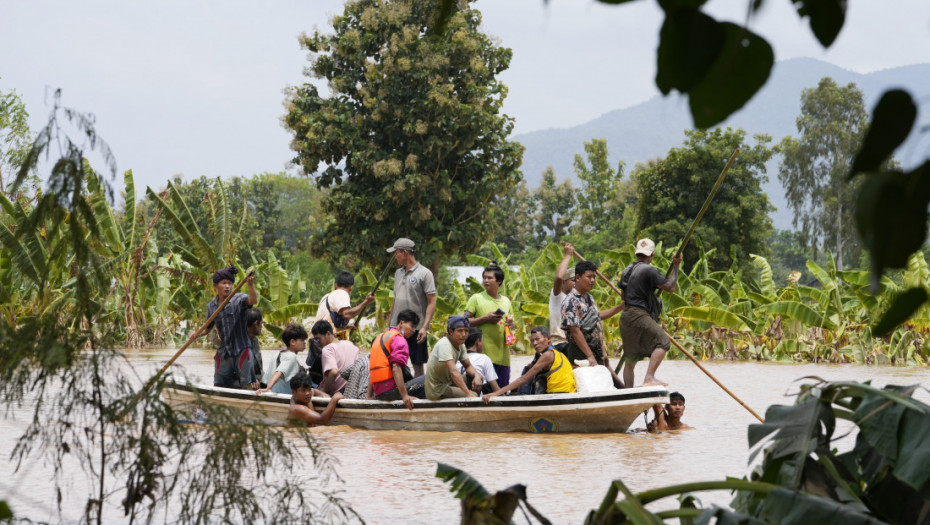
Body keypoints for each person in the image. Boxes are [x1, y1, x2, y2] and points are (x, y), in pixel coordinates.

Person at [618, 238, 681, 387]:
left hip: (626, 315)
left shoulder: (626, 270)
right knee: (663, 342)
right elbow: (670, 287)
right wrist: (676, 266)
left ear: (636, 253)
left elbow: (623, 296)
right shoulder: (648, 269)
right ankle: (649, 377)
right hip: (639, 314)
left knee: (630, 358)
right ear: (652, 255)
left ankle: (628, 392)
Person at [561, 260, 624, 387]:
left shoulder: (589, 298)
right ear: (578, 277)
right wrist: (590, 356)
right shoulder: (570, 301)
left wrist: (620, 307)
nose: (593, 280)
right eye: (589, 277)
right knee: (587, 387)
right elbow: (575, 330)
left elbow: (597, 317)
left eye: (594, 277)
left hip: (597, 352)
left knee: (602, 386)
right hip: (580, 353)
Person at [193, 266, 258, 389]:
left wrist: (250, 285)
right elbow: (207, 328)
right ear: (216, 286)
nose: (227, 286)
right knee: (219, 385)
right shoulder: (212, 306)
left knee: (247, 385)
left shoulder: (239, 299)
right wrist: (196, 334)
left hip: (242, 349)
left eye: (229, 283)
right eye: (224, 283)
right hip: (225, 352)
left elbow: (253, 300)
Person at [483, 326, 575, 402]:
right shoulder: (556, 353)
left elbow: (525, 379)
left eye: (538, 339)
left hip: (559, 395)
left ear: (548, 339)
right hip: (565, 393)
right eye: (532, 340)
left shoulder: (548, 355)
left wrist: (496, 393)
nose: (535, 343)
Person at [387, 238, 437, 378]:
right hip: (396, 327)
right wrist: (389, 325)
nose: (395, 256)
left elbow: (432, 302)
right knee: (393, 362)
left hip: (416, 328)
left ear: (405, 253)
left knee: (418, 364)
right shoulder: (398, 273)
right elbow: (395, 299)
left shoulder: (425, 273)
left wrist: (424, 327)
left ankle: (418, 394)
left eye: (396, 253)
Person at [464, 262, 516, 388]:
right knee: (483, 393)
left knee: (502, 392)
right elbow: (464, 322)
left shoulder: (506, 301)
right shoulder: (476, 298)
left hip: (503, 358)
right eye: (484, 277)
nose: (485, 280)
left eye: (489, 278)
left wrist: (511, 323)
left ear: (499, 281)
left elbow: (513, 325)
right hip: (482, 357)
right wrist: (485, 318)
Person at [369, 308, 420, 410]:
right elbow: (396, 368)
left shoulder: (381, 337)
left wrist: (369, 396)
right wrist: (404, 396)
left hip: (379, 393)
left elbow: (374, 369)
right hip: (390, 392)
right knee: (426, 380)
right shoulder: (399, 340)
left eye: (415, 328)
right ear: (401, 323)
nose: (413, 330)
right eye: (411, 326)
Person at [424, 316, 481, 400]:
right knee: (473, 395)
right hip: (437, 389)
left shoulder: (460, 344)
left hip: (448, 382)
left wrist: (476, 375)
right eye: (460, 331)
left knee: (479, 377)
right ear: (451, 331)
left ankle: (469, 403)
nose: (464, 334)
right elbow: (454, 372)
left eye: (466, 330)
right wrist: (468, 393)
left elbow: (468, 366)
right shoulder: (445, 345)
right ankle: (469, 403)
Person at [257, 323, 322, 396]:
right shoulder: (291, 356)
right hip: (284, 398)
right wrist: (268, 388)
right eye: (302, 340)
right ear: (292, 342)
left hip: (275, 395)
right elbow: (279, 372)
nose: (304, 343)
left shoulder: (278, 355)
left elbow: (265, 379)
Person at [310, 320, 360, 395]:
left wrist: (324, 390)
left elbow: (334, 372)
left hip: (333, 392)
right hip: (350, 391)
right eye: (315, 340)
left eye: (318, 339)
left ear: (328, 334)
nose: (317, 342)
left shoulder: (328, 349)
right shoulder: (351, 345)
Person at [549, 242, 576, 354]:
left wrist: (621, 306)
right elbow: (559, 277)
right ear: (564, 282)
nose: (576, 284)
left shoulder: (577, 299)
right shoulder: (558, 296)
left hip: (573, 344)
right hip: (559, 344)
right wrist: (568, 255)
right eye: (573, 280)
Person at [458, 328, 500, 394]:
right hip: (476, 398)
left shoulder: (456, 358)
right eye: (482, 341)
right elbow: (494, 387)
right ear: (478, 342)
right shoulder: (484, 358)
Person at [246, 308, 265, 389]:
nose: (261, 326)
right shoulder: (238, 342)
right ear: (255, 324)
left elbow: (259, 368)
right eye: (261, 323)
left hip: (258, 379)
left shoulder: (255, 340)